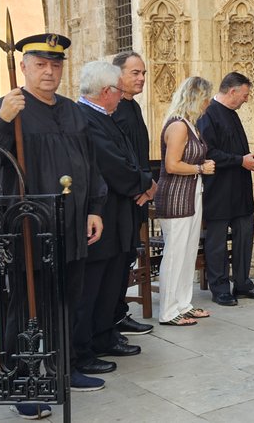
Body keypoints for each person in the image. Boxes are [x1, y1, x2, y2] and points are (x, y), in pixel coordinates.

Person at [0, 33, 108, 405]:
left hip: (71, 221)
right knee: (25, 301)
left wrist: (95, 208)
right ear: (24, 67)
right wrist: (1, 121)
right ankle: (22, 378)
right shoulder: (10, 107)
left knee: (67, 297)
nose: (49, 72)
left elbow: (91, 163)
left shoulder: (72, 110)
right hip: (28, 225)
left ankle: (63, 365)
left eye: (56, 64)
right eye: (40, 64)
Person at [72, 61, 150, 374]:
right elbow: (112, 165)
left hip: (121, 214)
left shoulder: (104, 115)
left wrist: (142, 183)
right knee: (92, 287)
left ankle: (105, 335)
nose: (120, 96)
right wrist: (145, 184)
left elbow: (127, 156)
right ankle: (83, 347)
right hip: (102, 216)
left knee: (112, 282)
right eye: (117, 90)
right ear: (107, 92)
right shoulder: (85, 119)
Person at [198, 71, 254, 306]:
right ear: (232, 91)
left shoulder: (232, 113)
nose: (246, 99)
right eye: (245, 94)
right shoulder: (208, 113)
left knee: (245, 236)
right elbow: (208, 153)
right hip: (218, 190)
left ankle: (242, 283)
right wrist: (241, 160)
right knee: (217, 242)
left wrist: (248, 161)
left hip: (239, 189)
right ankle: (219, 288)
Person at [155, 77, 216, 325]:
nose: (208, 102)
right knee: (175, 254)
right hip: (176, 197)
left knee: (188, 252)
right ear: (195, 97)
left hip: (191, 195)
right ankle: (168, 311)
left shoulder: (191, 125)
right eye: (205, 97)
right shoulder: (178, 126)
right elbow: (172, 165)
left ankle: (183, 304)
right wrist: (201, 168)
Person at [110, 52, 155, 336]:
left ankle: (119, 312)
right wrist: (139, 185)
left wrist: (148, 186)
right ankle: (113, 316)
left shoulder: (134, 107)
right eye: (135, 73)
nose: (141, 79)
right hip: (124, 195)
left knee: (126, 257)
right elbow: (116, 158)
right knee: (117, 260)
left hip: (139, 193)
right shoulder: (114, 110)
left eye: (143, 74)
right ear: (117, 76)